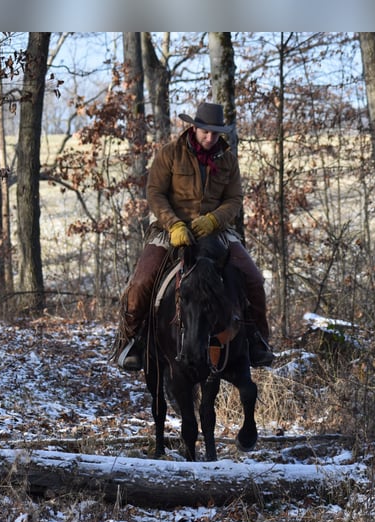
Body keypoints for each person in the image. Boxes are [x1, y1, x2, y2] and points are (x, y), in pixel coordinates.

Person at [115, 102, 274, 372]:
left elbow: (234, 199)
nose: (210, 138)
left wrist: (214, 220)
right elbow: (155, 193)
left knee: (254, 278)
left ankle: (257, 340)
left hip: (216, 231)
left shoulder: (228, 160)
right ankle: (132, 341)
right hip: (169, 230)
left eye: (215, 133)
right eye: (205, 132)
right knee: (142, 282)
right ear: (194, 127)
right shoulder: (170, 154)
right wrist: (174, 224)